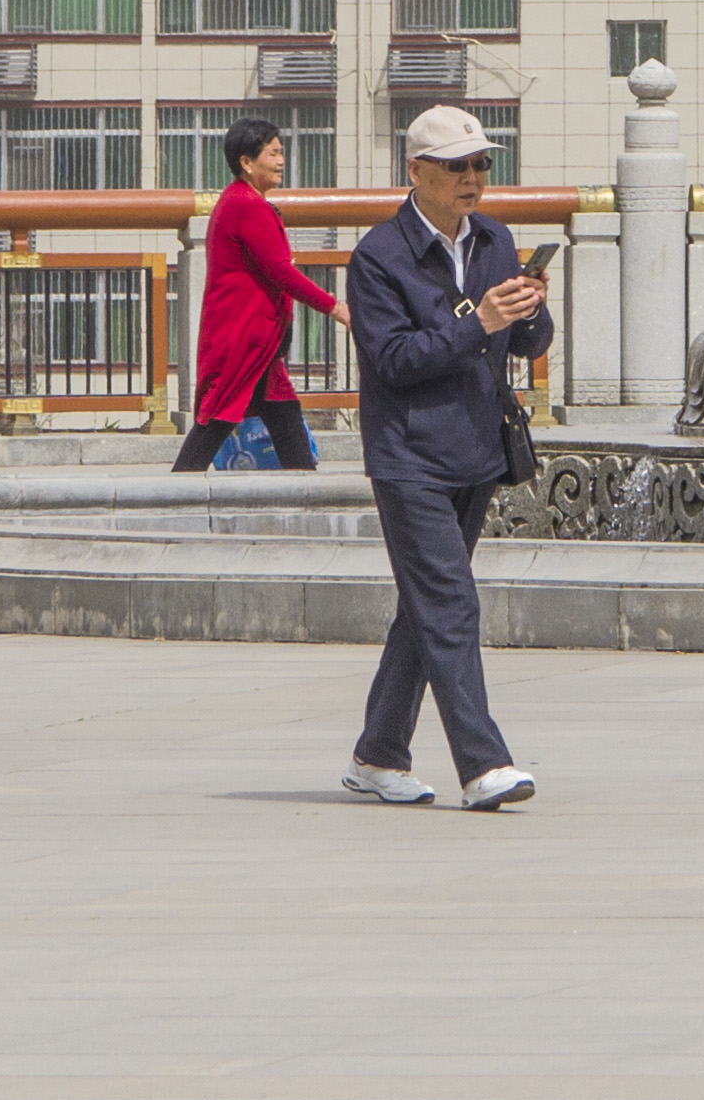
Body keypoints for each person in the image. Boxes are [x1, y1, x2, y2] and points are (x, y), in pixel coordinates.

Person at [340, 106, 553, 812]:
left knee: (424, 608)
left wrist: (530, 308)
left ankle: (378, 753)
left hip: (476, 449)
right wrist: (478, 319)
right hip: (408, 456)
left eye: (482, 164)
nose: (472, 178)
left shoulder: (494, 239)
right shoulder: (379, 256)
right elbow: (395, 360)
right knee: (451, 604)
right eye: (457, 166)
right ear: (417, 172)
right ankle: (483, 763)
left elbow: (523, 344)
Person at [176, 113, 343, 471]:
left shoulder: (240, 201)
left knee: (282, 411)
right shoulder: (247, 206)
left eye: (281, 151)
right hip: (245, 337)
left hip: (256, 338)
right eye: (272, 153)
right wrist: (335, 308)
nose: (281, 160)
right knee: (218, 416)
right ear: (247, 163)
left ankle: (306, 489)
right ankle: (175, 490)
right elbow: (282, 272)